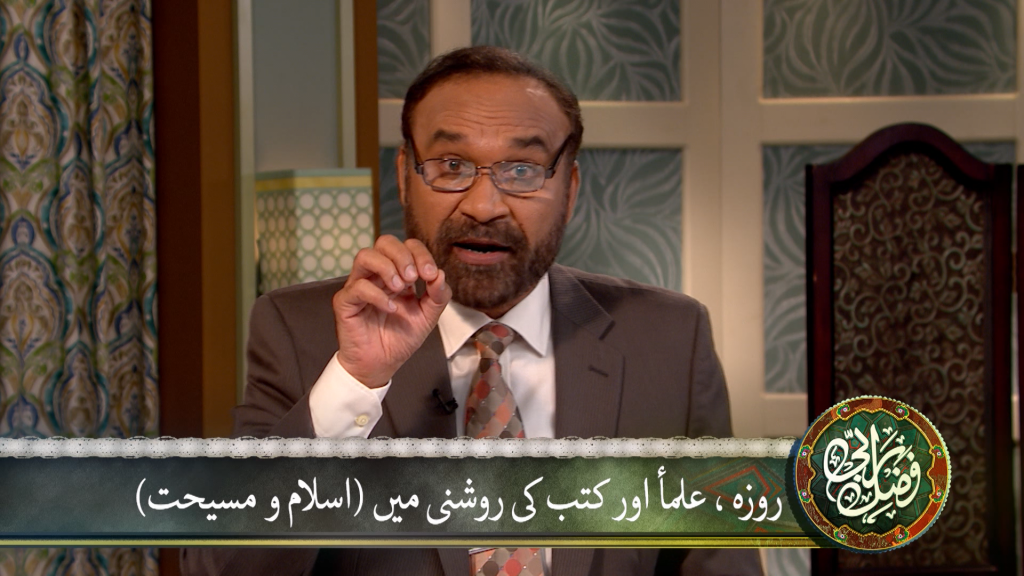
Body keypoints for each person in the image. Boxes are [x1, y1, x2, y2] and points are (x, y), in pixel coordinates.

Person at [183, 46, 762, 576]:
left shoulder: (669, 341)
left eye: (522, 170)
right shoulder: (300, 331)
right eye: (452, 166)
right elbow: (218, 567)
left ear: (570, 189)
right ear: (405, 178)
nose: (484, 206)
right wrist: (356, 382)